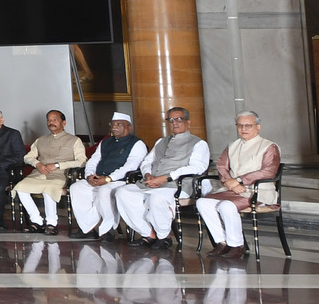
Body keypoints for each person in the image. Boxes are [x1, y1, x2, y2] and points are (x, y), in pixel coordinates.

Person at [117, 107, 209, 249]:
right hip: (150, 182)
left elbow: (198, 167)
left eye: (179, 119)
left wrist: (166, 178)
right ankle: (148, 233)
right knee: (122, 193)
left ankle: (163, 236)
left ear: (188, 123)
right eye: (171, 120)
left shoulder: (198, 143)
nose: (175, 123)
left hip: (177, 185)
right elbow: (147, 162)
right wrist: (148, 174)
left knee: (156, 198)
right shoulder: (161, 141)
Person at [197, 110, 281, 259]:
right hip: (232, 190)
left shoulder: (268, 146)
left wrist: (239, 180)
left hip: (258, 191)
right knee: (202, 202)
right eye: (240, 125)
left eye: (248, 125)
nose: (243, 129)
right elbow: (222, 166)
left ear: (258, 127)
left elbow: (269, 171)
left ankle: (236, 245)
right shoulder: (232, 145)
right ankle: (222, 242)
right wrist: (231, 183)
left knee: (226, 206)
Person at [68, 112, 147, 240]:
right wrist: (89, 176)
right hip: (98, 178)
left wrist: (109, 179)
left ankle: (108, 229)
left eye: (119, 124)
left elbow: (131, 166)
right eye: (113, 124)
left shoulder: (137, 144)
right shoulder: (105, 142)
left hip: (120, 181)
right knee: (76, 188)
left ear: (129, 127)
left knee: (104, 191)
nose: (115, 127)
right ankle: (87, 228)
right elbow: (93, 160)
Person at [15, 110, 86, 235]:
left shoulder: (74, 140)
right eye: (49, 120)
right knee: (20, 187)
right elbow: (27, 157)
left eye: (55, 120)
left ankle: (51, 224)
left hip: (60, 175)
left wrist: (58, 165)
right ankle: (37, 221)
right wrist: (37, 164)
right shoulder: (40, 140)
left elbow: (81, 162)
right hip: (39, 174)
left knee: (49, 189)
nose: (51, 123)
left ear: (63, 123)